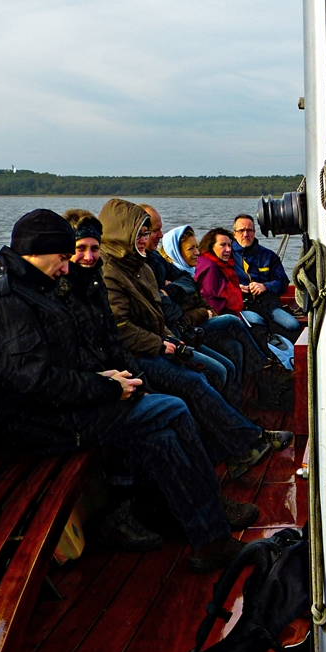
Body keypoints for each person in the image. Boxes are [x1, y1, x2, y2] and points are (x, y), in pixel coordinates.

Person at [0, 209, 249, 573]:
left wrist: (106, 375)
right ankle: (211, 526)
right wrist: (106, 387)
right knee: (172, 410)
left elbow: (55, 363)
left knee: (162, 436)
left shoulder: (28, 288)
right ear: (38, 250)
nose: (67, 268)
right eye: (64, 258)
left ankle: (207, 535)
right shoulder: (5, 303)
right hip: (35, 425)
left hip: (52, 410)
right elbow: (35, 382)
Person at [97, 200, 293, 480]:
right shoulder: (113, 272)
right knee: (202, 377)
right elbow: (124, 326)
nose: (150, 238)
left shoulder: (141, 265)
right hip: (143, 353)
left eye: (150, 232)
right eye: (142, 233)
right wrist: (163, 341)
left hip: (171, 336)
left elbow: (181, 296)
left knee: (227, 360)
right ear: (123, 234)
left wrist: (173, 309)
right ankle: (246, 439)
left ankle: (241, 434)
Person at [158, 222, 271, 407]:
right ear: (176, 251)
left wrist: (206, 311)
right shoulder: (172, 281)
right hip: (186, 334)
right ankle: (263, 364)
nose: (197, 252)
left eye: (197, 247)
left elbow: (206, 305)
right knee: (232, 321)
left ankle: (236, 406)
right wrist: (204, 313)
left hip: (200, 326)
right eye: (191, 248)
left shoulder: (187, 274)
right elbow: (183, 318)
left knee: (235, 347)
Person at [232, 214, 302, 334]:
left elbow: (283, 282)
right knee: (256, 321)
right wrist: (235, 288)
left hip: (268, 306)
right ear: (234, 234)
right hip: (241, 306)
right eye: (241, 231)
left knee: (293, 325)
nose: (245, 234)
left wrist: (265, 287)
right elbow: (217, 284)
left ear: (254, 232)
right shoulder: (227, 256)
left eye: (249, 230)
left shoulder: (269, 256)